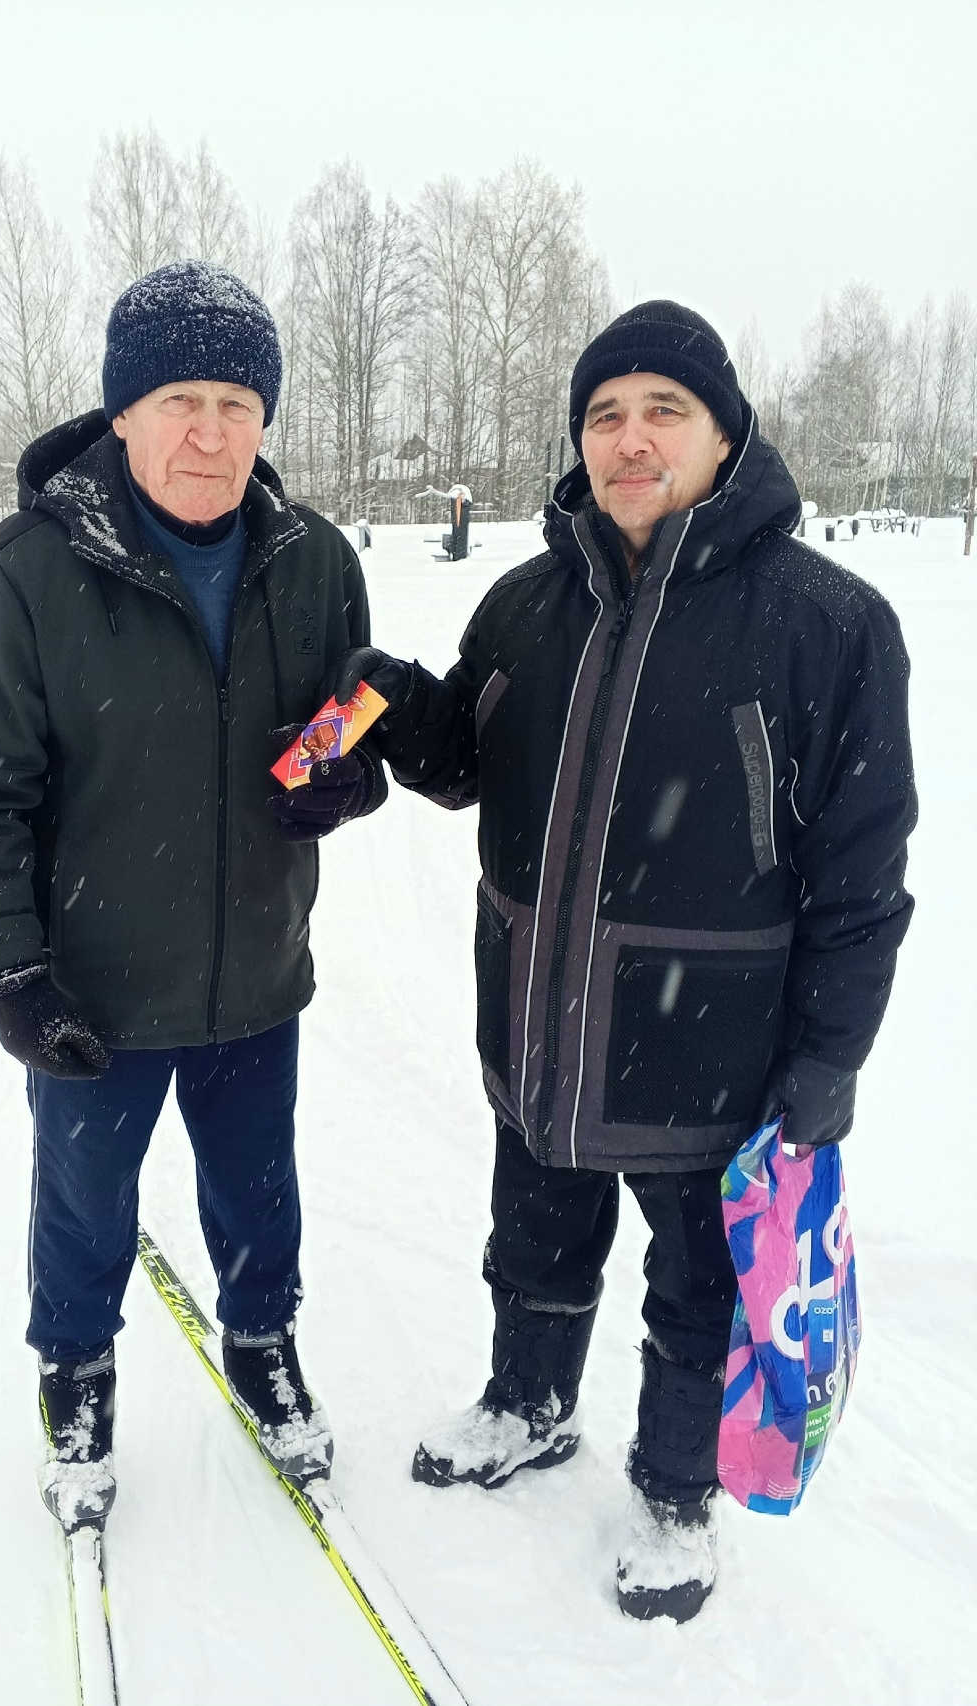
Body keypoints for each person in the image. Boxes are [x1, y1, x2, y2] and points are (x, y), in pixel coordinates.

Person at [336, 300, 916, 1621]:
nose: (630, 438)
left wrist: (829, 1056)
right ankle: (528, 1403)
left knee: (696, 1288)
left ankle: (673, 1492)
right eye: (604, 414)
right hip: (541, 1025)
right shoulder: (528, 603)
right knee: (533, 1233)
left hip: (705, 1053)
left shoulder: (826, 623)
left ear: (724, 434)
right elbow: (466, 758)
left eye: (664, 410)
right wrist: (384, 696)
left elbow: (862, 877)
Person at [0, 260, 385, 1532]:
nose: (208, 433)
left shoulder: (313, 559)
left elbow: (341, 730)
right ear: (122, 411)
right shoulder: (29, 570)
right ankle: (75, 1375)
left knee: (258, 1185)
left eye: (236, 404)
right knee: (84, 1202)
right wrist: (12, 970)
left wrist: (343, 782)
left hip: (254, 966)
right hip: (93, 984)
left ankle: (262, 1342)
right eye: (179, 399)